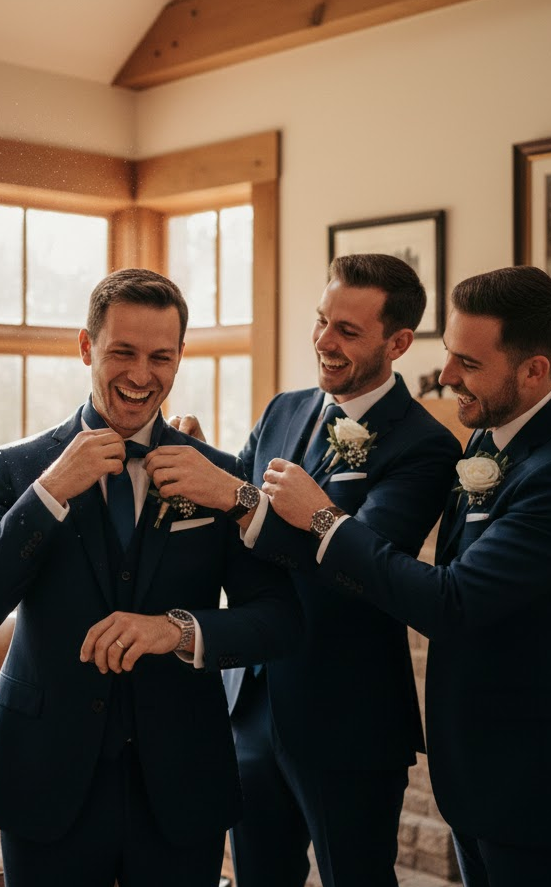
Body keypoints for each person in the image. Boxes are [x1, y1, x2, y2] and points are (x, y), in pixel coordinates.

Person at [0, 267, 302, 887]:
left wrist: (178, 630)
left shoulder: (217, 475)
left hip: (182, 775)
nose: (142, 376)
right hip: (44, 772)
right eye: (123, 353)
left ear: (181, 357)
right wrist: (52, 490)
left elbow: (278, 619)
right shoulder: (18, 468)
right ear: (86, 348)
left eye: (161, 356)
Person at [262, 266, 551, 886]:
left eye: (467, 364)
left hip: (541, 782)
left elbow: (454, 600)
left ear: (535, 372)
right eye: (449, 355)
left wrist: (325, 520)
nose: (444, 377)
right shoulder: (488, 441)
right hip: (477, 774)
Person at [149, 253, 461, 887]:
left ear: (397, 342)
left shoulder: (426, 446)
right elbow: (234, 506)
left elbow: (362, 568)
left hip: (346, 710)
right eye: (322, 320)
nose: (324, 340)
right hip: (251, 698)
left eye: (348, 330)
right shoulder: (283, 409)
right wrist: (194, 450)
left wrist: (237, 497)